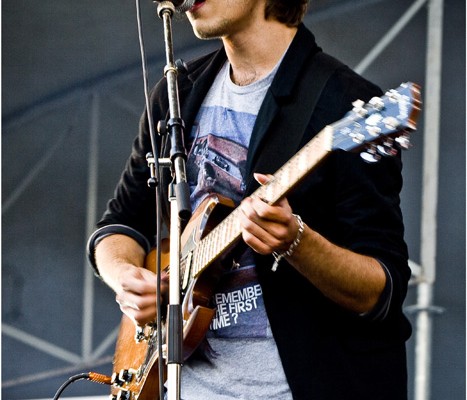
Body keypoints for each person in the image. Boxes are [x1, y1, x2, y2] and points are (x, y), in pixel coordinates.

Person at [87, 0, 413, 398]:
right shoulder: (178, 96)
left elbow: (382, 291)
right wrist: (126, 278)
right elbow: (118, 224)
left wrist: (296, 242)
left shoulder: (343, 101)